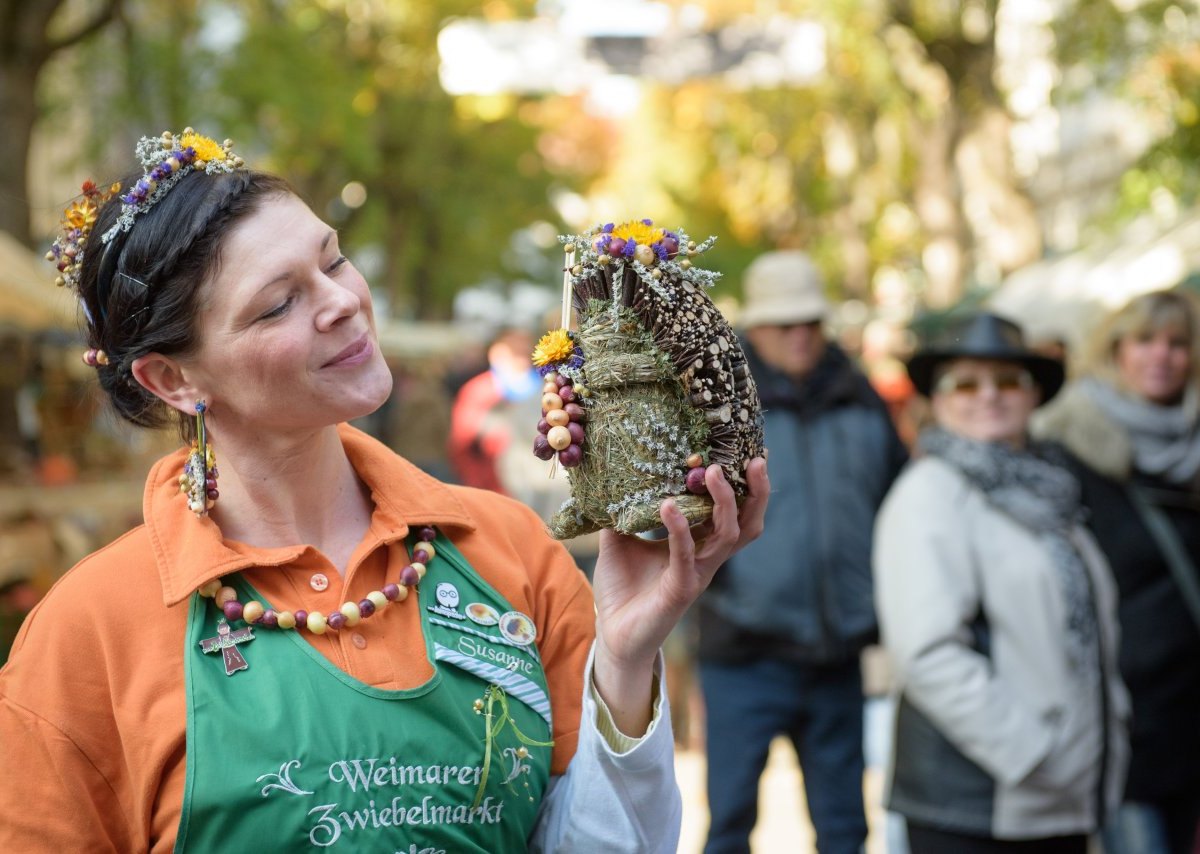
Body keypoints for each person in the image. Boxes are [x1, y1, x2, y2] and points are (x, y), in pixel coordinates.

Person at [0, 129, 768, 852]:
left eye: (332, 263)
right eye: (278, 304)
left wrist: (626, 659)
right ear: (174, 379)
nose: (341, 302)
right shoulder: (88, 634)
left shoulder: (508, 551)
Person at [873, 312, 1129, 853]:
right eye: (966, 383)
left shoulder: (1052, 493)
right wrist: (1033, 754)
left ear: (1033, 394)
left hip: (1060, 800)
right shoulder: (930, 494)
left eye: (1008, 381)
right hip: (978, 804)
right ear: (937, 400)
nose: (989, 395)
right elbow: (927, 654)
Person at [697, 250, 907, 854]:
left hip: (837, 654)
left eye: (809, 322)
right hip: (743, 651)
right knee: (731, 822)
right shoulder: (715, 407)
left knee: (845, 827)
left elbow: (894, 503)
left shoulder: (862, 401)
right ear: (754, 327)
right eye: (783, 323)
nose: (798, 336)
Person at [1033, 290, 1200, 854]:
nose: (1162, 356)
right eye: (1145, 341)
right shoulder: (1069, 445)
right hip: (1122, 715)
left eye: (1178, 343)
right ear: (1115, 352)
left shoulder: (1192, 448)